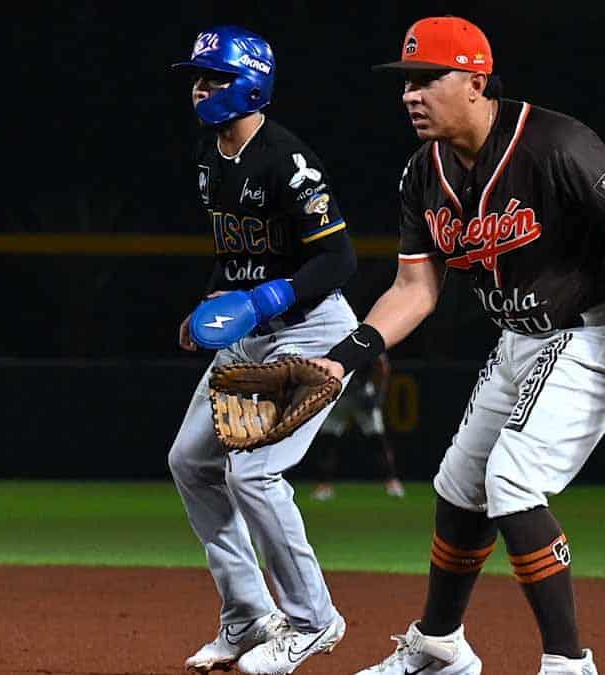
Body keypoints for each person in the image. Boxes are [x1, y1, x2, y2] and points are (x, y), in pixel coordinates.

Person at [311, 16, 605, 675]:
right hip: (523, 338)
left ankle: (569, 662)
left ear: (475, 83)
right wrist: (344, 356)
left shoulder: (552, 141)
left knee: (511, 480)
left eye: (426, 79)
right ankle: (440, 645)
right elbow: (415, 287)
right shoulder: (423, 174)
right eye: (405, 82)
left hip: (599, 328)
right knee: (459, 485)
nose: (410, 94)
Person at [166, 25, 356, 675]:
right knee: (190, 459)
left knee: (254, 473)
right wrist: (210, 306)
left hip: (309, 331)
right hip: (251, 331)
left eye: (213, 76)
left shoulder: (288, 160)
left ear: (250, 85)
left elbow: (339, 258)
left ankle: (312, 618)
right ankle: (248, 613)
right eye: (197, 74)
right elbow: (234, 256)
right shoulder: (207, 159)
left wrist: (265, 300)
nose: (199, 86)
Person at [310, 353, 405, 501]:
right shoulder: (337, 338)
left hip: (362, 394)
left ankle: (392, 481)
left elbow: (383, 366)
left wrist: (379, 395)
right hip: (340, 394)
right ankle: (324, 486)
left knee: (377, 440)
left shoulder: (366, 338)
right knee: (327, 440)